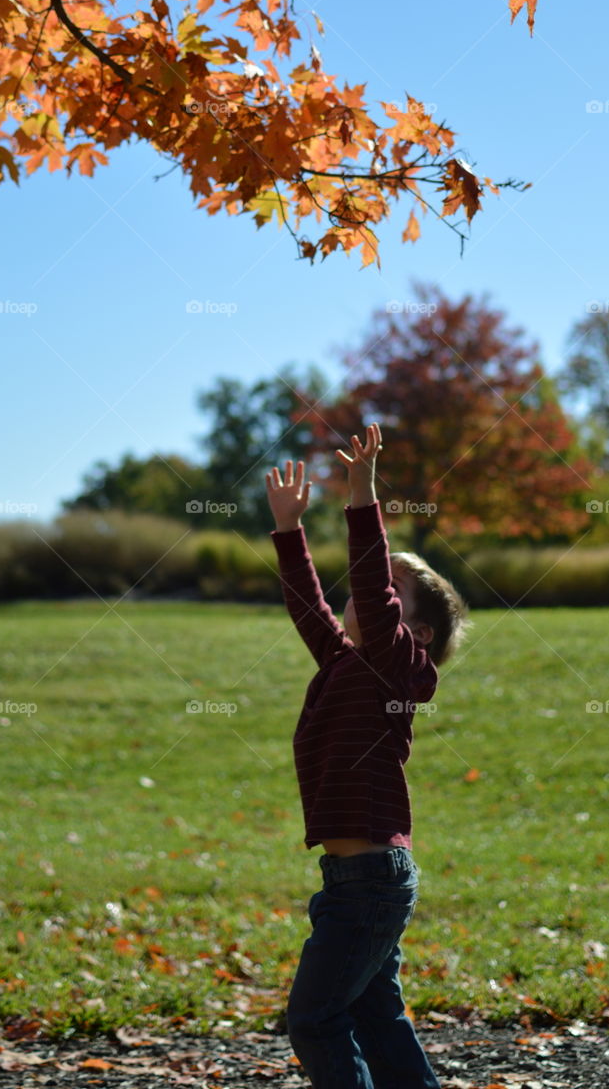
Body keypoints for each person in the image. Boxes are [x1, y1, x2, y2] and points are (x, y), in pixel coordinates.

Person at [265, 422, 469, 1089]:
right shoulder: (347, 663)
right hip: (353, 883)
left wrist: (362, 494)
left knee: (315, 1019)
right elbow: (307, 607)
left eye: (387, 589)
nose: (362, 593)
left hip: (372, 884)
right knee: (374, 1019)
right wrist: (289, 530)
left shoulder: (395, 665)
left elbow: (374, 596)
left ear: (419, 631)